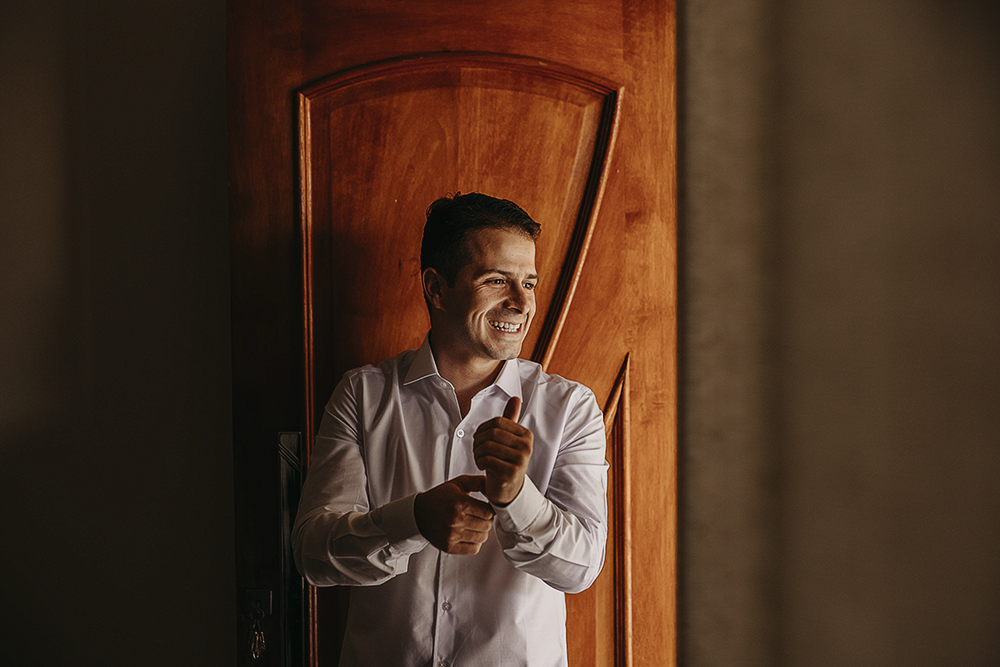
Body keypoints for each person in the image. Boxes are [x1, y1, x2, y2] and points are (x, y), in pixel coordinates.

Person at [292, 192, 608, 667]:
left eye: (529, 282)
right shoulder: (363, 395)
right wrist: (414, 519)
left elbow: (581, 568)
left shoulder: (570, 408)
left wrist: (517, 497)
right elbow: (313, 555)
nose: (522, 302)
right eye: (497, 280)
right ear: (436, 289)